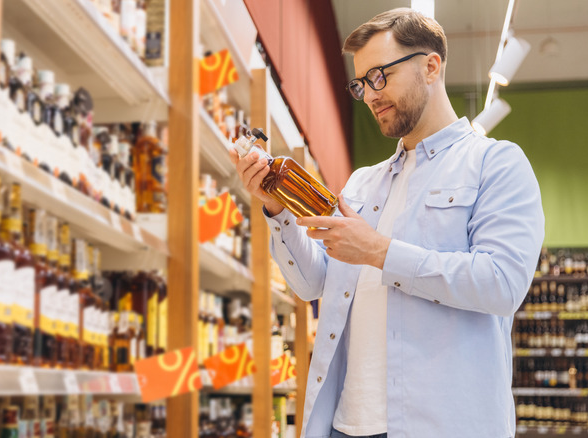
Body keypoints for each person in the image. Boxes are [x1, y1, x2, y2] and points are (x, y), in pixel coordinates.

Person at [229, 8, 544, 438]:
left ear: (431, 66)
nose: (370, 94)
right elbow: (313, 283)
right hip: (345, 425)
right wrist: (277, 211)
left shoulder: (496, 164)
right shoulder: (363, 183)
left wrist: (379, 251)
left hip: (441, 426)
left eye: (380, 76)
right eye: (360, 84)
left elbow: (503, 284)